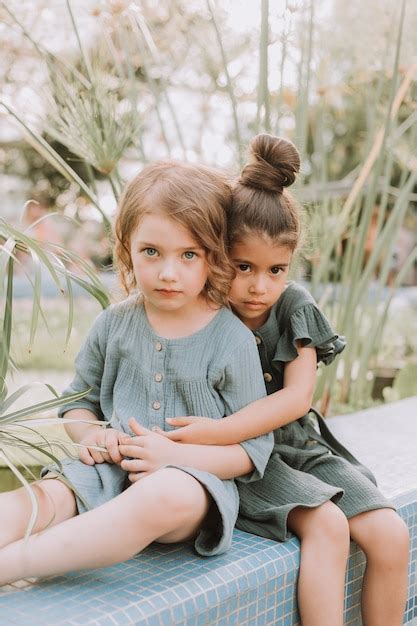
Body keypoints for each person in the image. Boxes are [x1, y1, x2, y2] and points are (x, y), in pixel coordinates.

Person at [161, 135, 410, 626]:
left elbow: (297, 398)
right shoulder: (204, 313)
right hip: (247, 458)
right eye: (244, 267)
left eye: (276, 269)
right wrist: (213, 439)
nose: (260, 286)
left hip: (297, 444)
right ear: (216, 256)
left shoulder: (293, 306)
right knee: (327, 524)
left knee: (391, 534)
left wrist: (213, 430)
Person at [0, 160, 273, 585]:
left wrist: (177, 457)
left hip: (190, 483)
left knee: (162, 496)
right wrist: (90, 435)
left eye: (188, 255)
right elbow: (79, 403)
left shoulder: (231, 340)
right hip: (107, 470)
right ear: (127, 248)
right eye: (151, 252)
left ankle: (14, 566)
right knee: (43, 496)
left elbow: (252, 452)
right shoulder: (114, 324)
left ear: (214, 256)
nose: (168, 272)